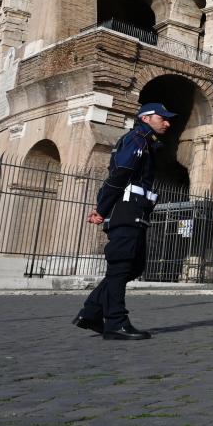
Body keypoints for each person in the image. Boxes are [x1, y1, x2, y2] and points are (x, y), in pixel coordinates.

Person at [74, 101, 174, 341]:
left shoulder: (146, 142)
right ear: (146, 118)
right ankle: (116, 322)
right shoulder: (136, 140)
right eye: (163, 118)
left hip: (135, 211)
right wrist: (102, 207)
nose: (168, 123)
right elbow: (119, 174)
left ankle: (91, 312)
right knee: (120, 267)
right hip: (125, 210)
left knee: (134, 266)